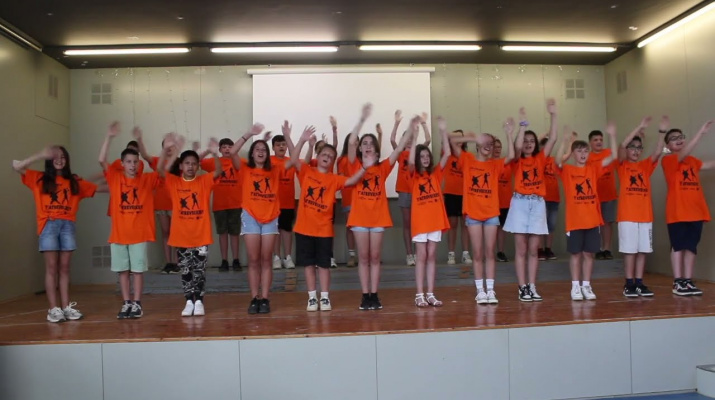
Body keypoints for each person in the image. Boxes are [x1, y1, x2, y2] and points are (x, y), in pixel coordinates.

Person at [290, 123, 375, 311]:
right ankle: (312, 297)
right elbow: (294, 159)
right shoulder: (306, 172)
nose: (327, 157)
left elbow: (352, 180)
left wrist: (364, 168)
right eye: (324, 155)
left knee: (324, 266)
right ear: (317, 157)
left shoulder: (334, 179)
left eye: (330, 156)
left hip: (324, 230)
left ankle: (325, 297)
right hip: (304, 228)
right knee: (308, 265)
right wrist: (303, 141)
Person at [13, 145, 98, 322]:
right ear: (49, 160)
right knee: (51, 268)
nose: (59, 159)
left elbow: (97, 188)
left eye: (63, 157)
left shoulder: (74, 182)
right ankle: (53, 309)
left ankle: (66, 307)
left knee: (65, 268)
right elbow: (17, 166)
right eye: (55, 157)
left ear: (67, 161)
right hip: (48, 225)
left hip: (67, 225)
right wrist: (39, 154)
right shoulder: (39, 179)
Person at [347, 103, 411, 310]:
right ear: (360, 147)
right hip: (359, 219)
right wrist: (362, 119)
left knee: (375, 257)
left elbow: (400, 148)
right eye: (363, 143)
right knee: (363, 258)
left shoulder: (383, 167)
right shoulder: (354, 165)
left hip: (377, 219)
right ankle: (364, 295)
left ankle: (374, 294)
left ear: (375, 148)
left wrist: (409, 127)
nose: (367, 145)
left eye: (370, 143)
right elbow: (350, 142)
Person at [99, 122, 161, 318]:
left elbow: (162, 170)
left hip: (138, 235)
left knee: (138, 271)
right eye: (129, 162)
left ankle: (137, 303)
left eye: (135, 162)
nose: (133, 165)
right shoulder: (115, 178)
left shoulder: (146, 180)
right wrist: (109, 137)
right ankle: (126, 303)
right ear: (122, 163)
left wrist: (145, 143)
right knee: (123, 272)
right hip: (119, 235)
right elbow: (101, 160)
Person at [451, 121, 515, 305]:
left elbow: (511, 155)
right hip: (473, 214)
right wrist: (471, 137)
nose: (489, 147)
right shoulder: (468, 160)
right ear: (478, 145)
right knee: (477, 253)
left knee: (489, 253)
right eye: (485, 144)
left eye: (491, 144)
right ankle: (480, 290)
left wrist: (509, 134)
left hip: (491, 215)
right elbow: (452, 141)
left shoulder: (495, 164)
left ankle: (491, 289)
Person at [158, 134, 222, 317]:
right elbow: (161, 170)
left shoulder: (204, 181)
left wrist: (213, 153)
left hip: (201, 236)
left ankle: (199, 301)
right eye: (187, 163)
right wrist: (166, 150)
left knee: (199, 271)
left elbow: (218, 171)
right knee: (185, 270)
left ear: (198, 166)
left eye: (194, 163)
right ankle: (188, 300)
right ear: (181, 166)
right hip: (181, 236)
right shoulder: (174, 182)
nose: (190, 166)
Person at [230, 123, 290, 314]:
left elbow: (294, 159)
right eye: (257, 149)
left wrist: (288, 136)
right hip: (251, 217)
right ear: (252, 153)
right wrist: (249, 134)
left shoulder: (275, 169)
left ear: (268, 154)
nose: (261, 152)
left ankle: (265, 298)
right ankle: (254, 297)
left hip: (270, 217)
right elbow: (231, 152)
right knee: (254, 259)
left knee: (266, 259)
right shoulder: (245, 169)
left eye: (264, 149)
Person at [503, 100, 558, 302]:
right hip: (519, 203)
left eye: (531, 141)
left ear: (536, 144)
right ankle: (522, 287)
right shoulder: (517, 160)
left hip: (537, 203)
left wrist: (553, 114)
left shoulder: (541, 158)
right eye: (525, 141)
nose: (528, 144)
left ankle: (532, 286)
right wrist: (522, 126)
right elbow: (516, 147)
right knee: (521, 249)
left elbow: (553, 137)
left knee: (534, 249)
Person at [556, 123, 618, 300]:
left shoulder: (593, 169)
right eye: (579, 151)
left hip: (592, 220)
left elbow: (612, 156)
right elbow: (558, 160)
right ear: (574, 154)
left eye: (585, 151)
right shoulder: (567, 170)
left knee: (589, 254)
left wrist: (613, 136)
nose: (583, 154)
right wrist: (566, 141)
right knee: (575, 254)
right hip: (575, 221)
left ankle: (587, 286)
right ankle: (575, 286)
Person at [662, 119, 715, 296]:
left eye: (681, 137)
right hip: (678, 212)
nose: (679, 139)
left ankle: (688, 280)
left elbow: (708, 165)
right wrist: (701, 132)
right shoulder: (669, 160)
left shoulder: (693, 161)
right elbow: (684, 153)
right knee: (678, 246)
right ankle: (678, 282)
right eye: (673, 138)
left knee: (691, 247)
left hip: (696, 211)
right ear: (668, 146)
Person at [617, 116, 666, 297]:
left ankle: (639, 282)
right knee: (630, 252)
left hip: (645, 216)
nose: (636, 151)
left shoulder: (645, 166)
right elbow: (621, 146)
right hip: (627, 216)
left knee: (643, 251)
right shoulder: (622, 166)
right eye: (633, 147)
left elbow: (658, 151)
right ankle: (628, 283)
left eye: (639, 148)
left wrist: (661, 132)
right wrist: (639, 127)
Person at [409, 116, 451, 307]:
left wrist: (443, 130)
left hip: (435, 220)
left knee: (432, 255)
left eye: (427, 156)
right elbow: (409, 162)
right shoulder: (414, 176)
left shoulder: (435, 174)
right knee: (422, 255)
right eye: (422, 156)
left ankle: (430, 293)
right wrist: (416, 134)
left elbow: (447, 154)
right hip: (420, 222)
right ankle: (419, 294)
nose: (425, 159)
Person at [391, 110, 432, 267]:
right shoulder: (400, 154)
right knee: (407, 224)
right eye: (405, 139)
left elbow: (428, 139)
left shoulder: (417, 153)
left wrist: (423, 123)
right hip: (404, 192)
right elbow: (392, 139)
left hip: (418, 193)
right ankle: (409, 255)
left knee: (418, 224)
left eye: (410, 139)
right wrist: (396, 123)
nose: (408, 141)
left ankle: (419, 253)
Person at [202, 138, 243, 272]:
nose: (227, 149)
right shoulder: (214, 162)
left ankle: (236, 260)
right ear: (219, 150)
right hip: (219, 204)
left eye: (230, 147)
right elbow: (196, 161)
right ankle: (224, 260)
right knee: (222, 233)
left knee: (235, 233)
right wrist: (209, 150)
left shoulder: (239, 162)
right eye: (224, 147)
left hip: (236, 204)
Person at [587, 129, 618, 260]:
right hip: (593, 196)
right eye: (595, 140)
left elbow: (617, 153)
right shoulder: (587, 156)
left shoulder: (608, 153)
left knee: (607, 223)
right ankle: (597, 249)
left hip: (609, 194)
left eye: (600, 139)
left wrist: (612, 135)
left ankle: (606, 249)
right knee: (595, 224)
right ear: (590, 143)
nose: (599, 142)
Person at [443, 129, 472, 265]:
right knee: (452, 225)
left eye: (462, 139)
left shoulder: (467, 156)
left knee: (465, 225)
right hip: (450, 193)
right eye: (457, 139)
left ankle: (466, 254)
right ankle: (451, 254)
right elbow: (447, 135)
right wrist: (460, 135)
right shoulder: (447, 154)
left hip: (465, 195)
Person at [270, 128, 297, 270]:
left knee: (286, 230)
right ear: (273, 147)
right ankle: (276, 257)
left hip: (288, 202)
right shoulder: (269, 160)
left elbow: (296, 155)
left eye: (283, 144)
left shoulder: (291, 161)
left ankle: (288, 257)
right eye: (278, 144)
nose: (281, 147)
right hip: (272, 203)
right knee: (275, 230)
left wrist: (289, 136)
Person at [538, 135, 565, 261]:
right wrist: (545, 133)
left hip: (554, 198)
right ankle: (539, 250)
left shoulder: (554, 160)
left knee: (551, 225)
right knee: (539, 225)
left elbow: (564, 157)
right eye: (544, 145)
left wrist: (567, 141)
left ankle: (548, 249)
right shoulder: (537, 160)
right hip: (541, 198)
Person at [337, 135, 358, 267]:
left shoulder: (362, 159)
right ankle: (352, 255)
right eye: (352, 141)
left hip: (364, 200)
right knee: (350, 227)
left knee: (363, 229)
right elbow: (341, 179)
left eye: (357, 141)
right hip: (348, 198)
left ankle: (363, 255)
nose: (354, 143)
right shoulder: (341, 160)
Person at [493, 137, 512, 263]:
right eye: (495, 147)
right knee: (491, 228)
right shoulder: (487, 163)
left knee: (501, 228)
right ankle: (489, 252)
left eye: (499, 147)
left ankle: (500, 251)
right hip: (491, 203)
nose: (497, 149)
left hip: (505, 201)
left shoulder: (507, 162)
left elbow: (514, 154)